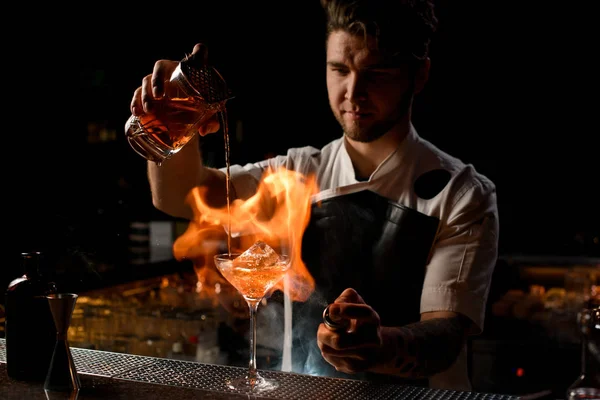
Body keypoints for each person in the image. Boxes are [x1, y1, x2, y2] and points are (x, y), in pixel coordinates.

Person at [129, 0, 499, 391]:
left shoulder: (462, 194)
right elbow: (177, 196)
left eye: (378, 73)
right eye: (339, 69)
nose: (353, 93)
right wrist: (173, 123)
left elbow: (445, 337)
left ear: (419, 74)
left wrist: (377, 347)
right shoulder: (298, 171)